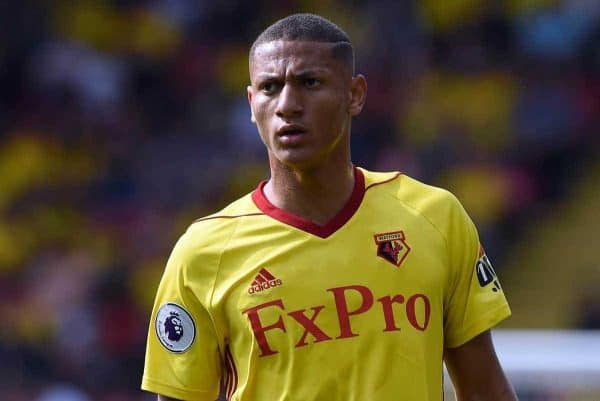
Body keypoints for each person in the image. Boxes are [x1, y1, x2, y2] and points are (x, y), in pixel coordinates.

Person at [141, 13, 518, 401]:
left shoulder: (434, 217)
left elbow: (485, 390)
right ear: (253, 104)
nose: (288, 104)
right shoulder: (204, 253)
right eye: (270, 87)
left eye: (310, 83)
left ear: (354, 94)